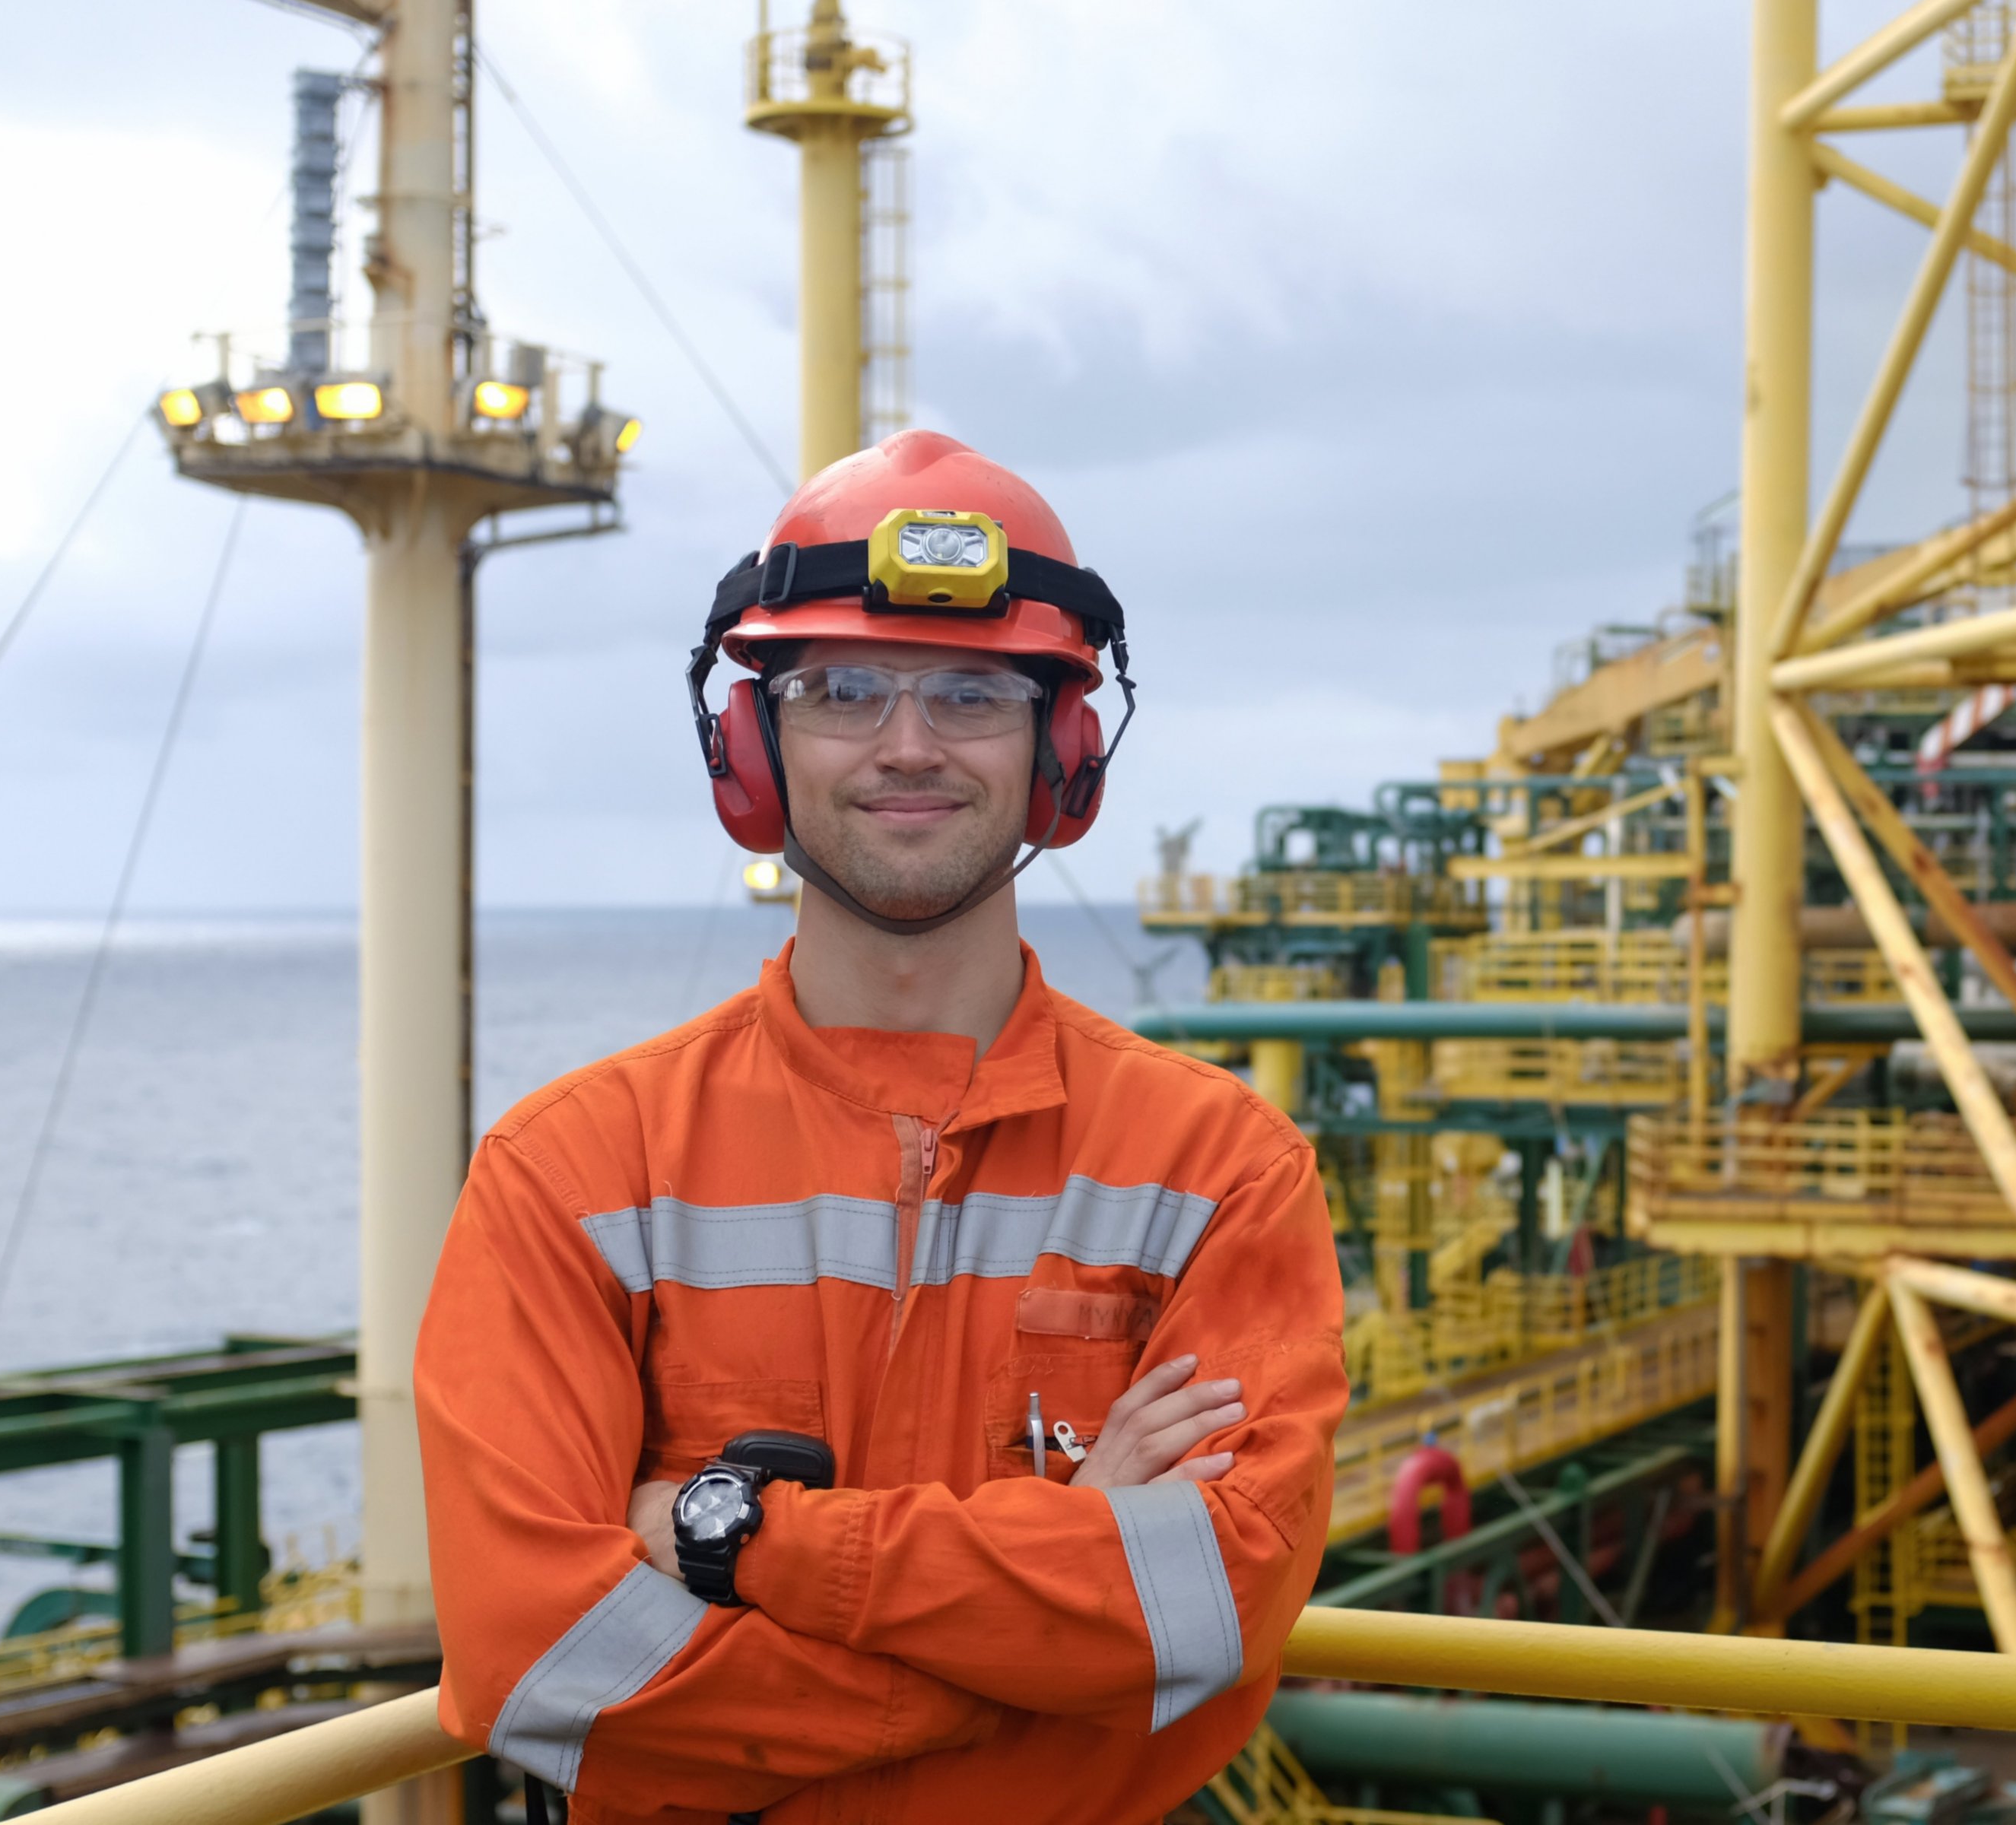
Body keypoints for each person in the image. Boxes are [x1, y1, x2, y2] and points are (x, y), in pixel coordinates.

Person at [417, 431, 1346, 1823]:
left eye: (973, 694)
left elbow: (1211, 1616)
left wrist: (744, 1544)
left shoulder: (1218, 1173)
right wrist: (1058, 1634)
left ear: (1060, 751)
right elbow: (543, 1666)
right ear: (752, 743)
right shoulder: (574, 1172)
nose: (908, 747)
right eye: (843, 690)